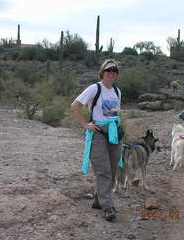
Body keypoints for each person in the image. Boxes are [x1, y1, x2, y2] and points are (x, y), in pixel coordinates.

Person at [71, 59, 122, 222]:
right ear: (102, 72)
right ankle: (107, 207)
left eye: (114, 71)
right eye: (108, 70)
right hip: (99, 132)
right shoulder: (95, 88)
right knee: (103, 170)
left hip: (114, 133)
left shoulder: (117, 91)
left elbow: (115, 114)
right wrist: (85, 125)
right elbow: (75, 105)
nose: (111, 73)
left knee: (113, 169)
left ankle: (99, 199)